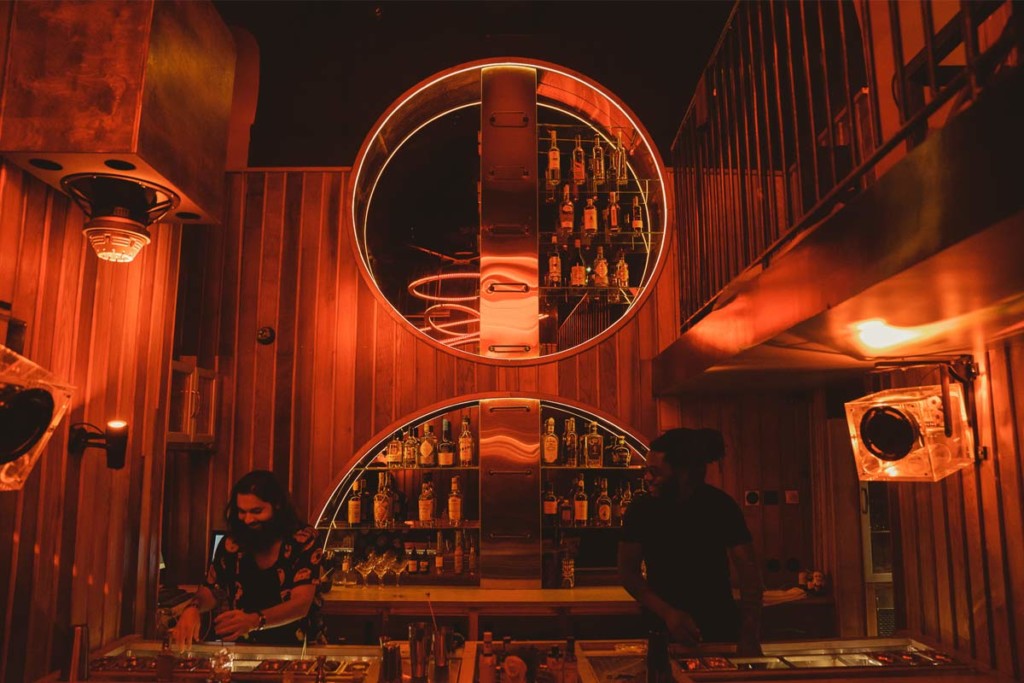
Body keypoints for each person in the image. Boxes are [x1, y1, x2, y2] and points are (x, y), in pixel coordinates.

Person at [618, 428, 763, 655]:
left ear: (683, 473)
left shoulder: (721, 507)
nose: (647, 478)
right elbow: (628, 573)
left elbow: (750, 574)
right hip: (661, 630)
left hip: (718, 627)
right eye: (647, 471)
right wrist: (667, 613)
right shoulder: (640, 510)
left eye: (655, 472)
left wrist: (749, 630)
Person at [170, 470, 326, 649]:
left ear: (277, 506)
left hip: (299, 650)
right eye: (242, 512)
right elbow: (211, 590)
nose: (248, 520)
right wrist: (193, 608)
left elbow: (300, 604)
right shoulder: (232, 543)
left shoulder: (303, 539)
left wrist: (254, 621)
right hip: (245, 650)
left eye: (256, 511)